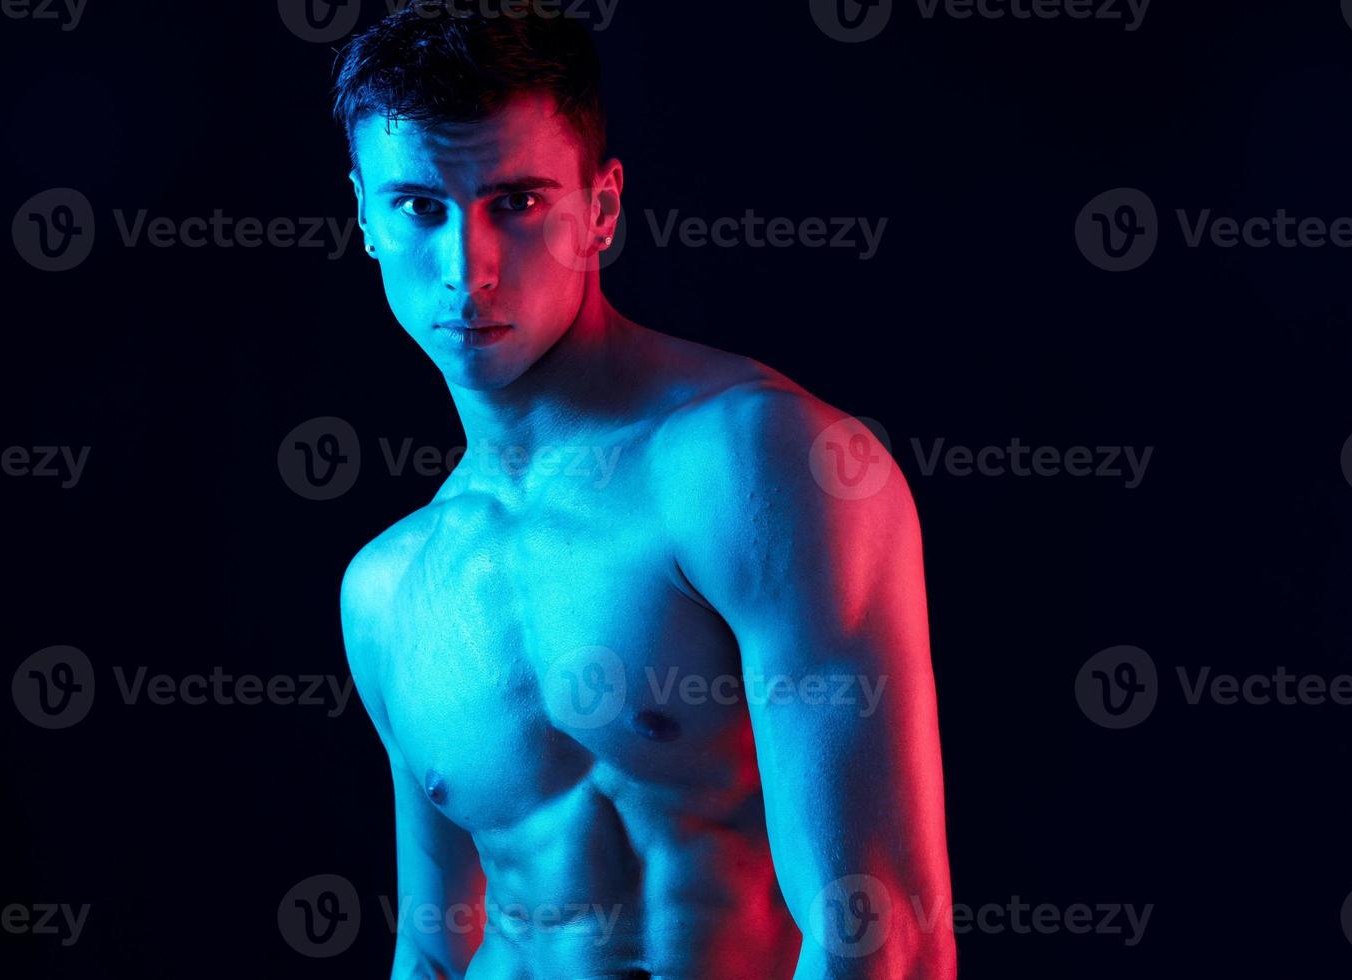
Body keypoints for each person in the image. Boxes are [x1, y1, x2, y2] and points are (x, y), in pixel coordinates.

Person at [334, 6, 954, 977]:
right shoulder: (385, 590)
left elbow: (886, 940)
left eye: (518, 201)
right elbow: (432, 947)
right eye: (420, 206)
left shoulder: (753, 462)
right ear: (365, 217)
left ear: (603, 208)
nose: (469, 270)